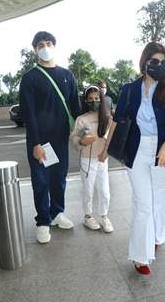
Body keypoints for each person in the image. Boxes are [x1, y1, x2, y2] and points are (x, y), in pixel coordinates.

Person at [99, 42, 165, 275]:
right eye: (154, 61)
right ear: (144, 62)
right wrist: (106, 148)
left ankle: (156, 235)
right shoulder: (129, 89)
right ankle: (140, 256)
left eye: (163, 62)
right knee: (144, 203)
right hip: (136, 151)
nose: (158, 65)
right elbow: (117, 121)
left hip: (162, 151)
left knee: (160, 199)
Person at [19, 31, 81, 244]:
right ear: (35, 50)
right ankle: (43, 221)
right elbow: (29, 114)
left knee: (59, 178)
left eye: (48, 43)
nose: (44, 47)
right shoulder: (30, 78)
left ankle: (57, 214)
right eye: (40, 45)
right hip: (40, 140)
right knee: (40, 181)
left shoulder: (67, 75)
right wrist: (36, 143)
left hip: (60, 138)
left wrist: (86, 129)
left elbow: (76, 108)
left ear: (54, 46)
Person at [71, 85, 114, 233]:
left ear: (101, 100)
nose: (94, 101)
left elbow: (112, 138)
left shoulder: (107, 118)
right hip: (87, 160)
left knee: (104, 190)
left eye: (96, 98)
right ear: (85, 101)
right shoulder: (81, 120)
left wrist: (106, 152)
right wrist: (82, 142)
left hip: (102, 158)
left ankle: (104, 216)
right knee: (88, 189)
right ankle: (88, 216)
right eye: (90, 99)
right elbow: (75, 139)